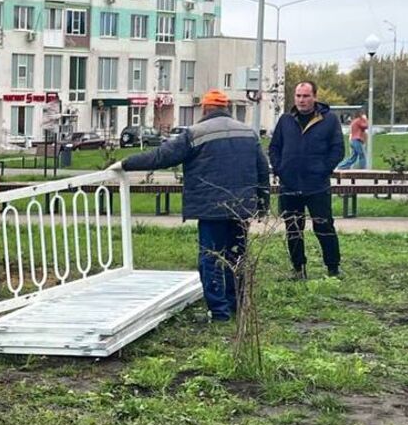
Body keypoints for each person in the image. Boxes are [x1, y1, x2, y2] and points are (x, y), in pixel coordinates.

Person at [110, 89, 269, 321]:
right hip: (241, 207)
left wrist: (126, 163)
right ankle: (236, 306)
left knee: (211, 258)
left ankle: (219, 312)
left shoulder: (195, 134)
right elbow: (262, 169)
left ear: (204, 109)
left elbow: (161, 157)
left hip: (210, 207)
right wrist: (262, 203)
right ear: (226, 108)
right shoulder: (248, 133)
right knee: (236, 256)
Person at [269, 81, 345, 279]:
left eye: (305, 96)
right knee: (293, 228)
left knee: (324, 226)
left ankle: (333, 268)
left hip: (316, 186)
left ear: (315, 97)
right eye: (298, 96)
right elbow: (274, 147)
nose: (301, 100)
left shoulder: (329, 120)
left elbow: (337, 149)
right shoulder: (286, 120)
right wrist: (280, 169)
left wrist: (323, 169)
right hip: (290, 184)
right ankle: (298, 269)